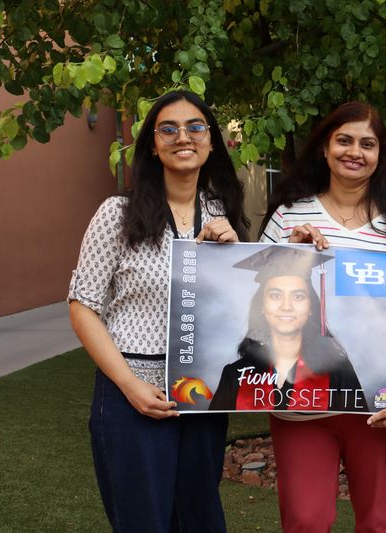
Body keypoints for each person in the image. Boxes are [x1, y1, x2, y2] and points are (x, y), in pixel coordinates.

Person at [259, 101, 386, 532]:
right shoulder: (289, 216)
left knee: (379, 521)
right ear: (325, 147)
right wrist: (295, 254)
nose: (354, 152)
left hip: (381, 400)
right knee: (306, 520)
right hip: (301, 397)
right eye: (344, 140)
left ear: (382, 156)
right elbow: (259, 303)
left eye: (368, 143)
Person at [68, 90, 249, 532]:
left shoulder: (221, 212)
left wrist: (236, 252)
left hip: (202, 392)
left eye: (195, 128)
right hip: (133, 391)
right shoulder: (117, 214)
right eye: (168, 129)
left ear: (210, 142)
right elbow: (82, 305)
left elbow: (239, 310)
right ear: (152, 143)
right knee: (144, 522)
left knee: (200, 518)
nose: (182, 137)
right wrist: (129, 387)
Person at [208, 245, 367, 412]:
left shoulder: (337, 370)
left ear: (311, 307)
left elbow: (356, 430)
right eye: (276, 295)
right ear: (262, 306)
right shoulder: (236, 374)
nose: (286, 306)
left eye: (298, 296)